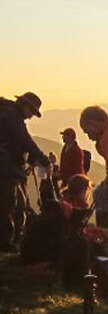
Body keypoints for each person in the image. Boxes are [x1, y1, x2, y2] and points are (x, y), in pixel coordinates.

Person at [0, 92, 51, 251]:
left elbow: (17, 142)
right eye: (32, 112)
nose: (30, 117)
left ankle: (10, 239)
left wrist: (29, 159)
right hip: (6, 169)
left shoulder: (7, 114)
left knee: (12, 203)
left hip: (8, 167)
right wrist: (43, 160)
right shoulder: (12, 117)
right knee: (8, 204)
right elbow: (25, 141)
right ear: (25, 105)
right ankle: (5, 242)